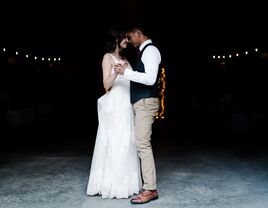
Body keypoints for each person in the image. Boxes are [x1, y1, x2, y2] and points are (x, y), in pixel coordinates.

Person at [86, 26, 142, 199]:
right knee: (115, 144)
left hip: (126, 107)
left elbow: (133, 81)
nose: (127, 40)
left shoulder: (125, 59)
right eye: (124, 38)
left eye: (127, 38)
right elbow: (106, 85)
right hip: (115, 107)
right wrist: (117, 73)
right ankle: (112, 185)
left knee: (127, 143)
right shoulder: (108, 58)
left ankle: (127, 184)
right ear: (116, 39)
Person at [114, 26, 161, 204]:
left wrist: (126, 73)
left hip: (146, 102)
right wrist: (129, 71)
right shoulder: (143, 52)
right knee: (141, 142)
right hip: (141, 103)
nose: (129, 40)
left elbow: (150, 79)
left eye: (130, 36)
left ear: (138, 33)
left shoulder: (151, 51)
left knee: (142, 143)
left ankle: (150, 189)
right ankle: (149, 186)